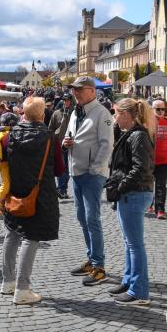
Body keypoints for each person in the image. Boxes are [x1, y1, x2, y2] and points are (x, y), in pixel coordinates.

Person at [1, 97, 64, 304]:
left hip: (16, 190)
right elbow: (60, 169)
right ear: (42, 115)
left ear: (23, 114)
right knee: (31, 237)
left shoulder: (11, 135)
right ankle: (22, 289)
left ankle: (8, 282)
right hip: (40, 192)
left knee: (12, 233)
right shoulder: (48, 137)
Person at [63, 76, 114, 286]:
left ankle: (99, 265)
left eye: (79, 89)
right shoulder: (77, 111)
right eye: (74, 89)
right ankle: (91, 259)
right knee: (81, 217)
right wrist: (67, 141)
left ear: (92, 91)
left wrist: (95, 168)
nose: (75, 93)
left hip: (92, 174)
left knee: (92, 218)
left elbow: (106, 144)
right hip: (76, 170)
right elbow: (71, 135)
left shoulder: (102, 113)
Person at [107, 98, 156, 306]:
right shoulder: (129, 133)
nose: (114, 117)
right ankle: (128, 281)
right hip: (130, 193)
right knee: (129, 243)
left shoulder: (138, 136)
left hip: (135, 193)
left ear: (127, 115)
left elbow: (140, 169)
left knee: (135, 245)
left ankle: (140, 291)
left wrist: (121, 187)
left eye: (117, 113)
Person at [0, 113, 20, 215]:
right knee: (6, 183)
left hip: (11, 162)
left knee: (11, 182)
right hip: (4, 162)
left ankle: (10, 201)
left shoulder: (14, 133)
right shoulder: (1, 134)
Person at [48, 93, 74, 199]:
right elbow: (50, 128)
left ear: (71, 101)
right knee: (61, 167)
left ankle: (63, 188)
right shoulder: (57, 113)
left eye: (67, 100)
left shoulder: (75, 113)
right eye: (64, 100)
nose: (65, 102)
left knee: (68, 169)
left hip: (72, 145)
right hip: (59, 144)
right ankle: (61, 189)